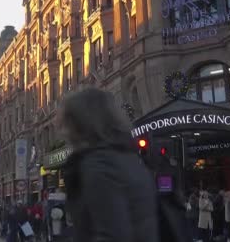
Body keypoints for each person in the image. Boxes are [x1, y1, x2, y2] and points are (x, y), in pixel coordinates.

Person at [59, 88, 160, 242]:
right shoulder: (129, 157)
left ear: (80, 123)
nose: (64, 132)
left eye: (67, 123)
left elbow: (112, 234)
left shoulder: (99, 165)